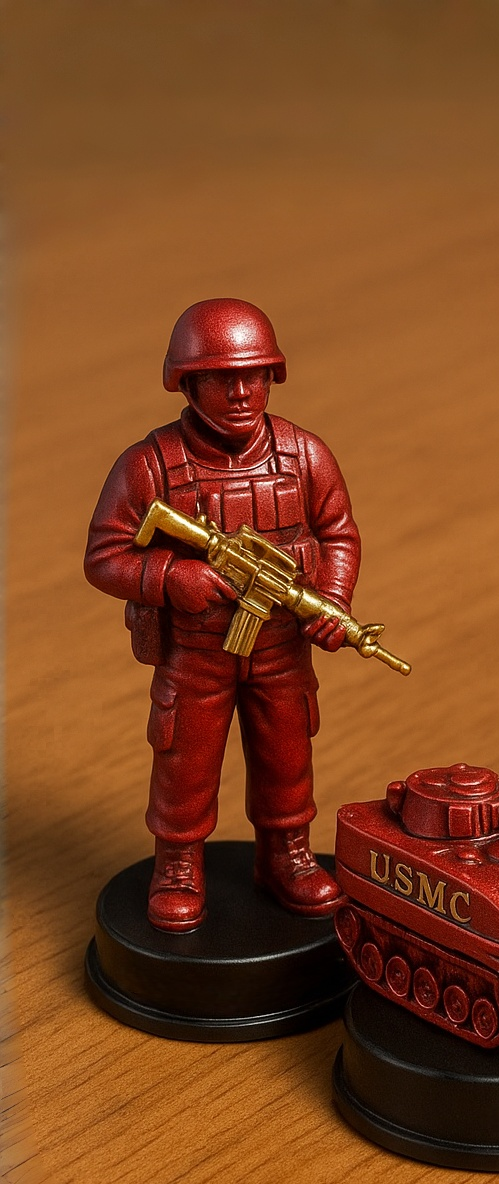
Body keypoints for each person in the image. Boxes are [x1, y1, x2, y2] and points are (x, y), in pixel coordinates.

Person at [85, 299, 359, 931]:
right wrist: (171, 576)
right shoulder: (150, 465)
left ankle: (286, 853)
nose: (241, 393)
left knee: (286, 755)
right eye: (222, 378)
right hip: (196, 651)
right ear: (187, 383)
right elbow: (104, 556)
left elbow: (339, 535)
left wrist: (334, 602)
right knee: (186, 761)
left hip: (282, 645)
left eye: (254, 375)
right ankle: (178, 864)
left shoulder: (304, 455)